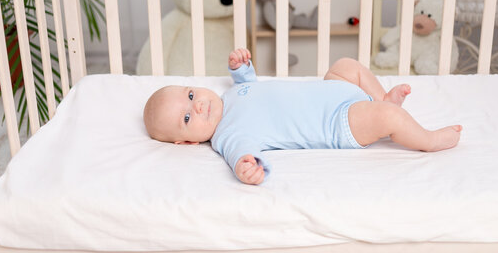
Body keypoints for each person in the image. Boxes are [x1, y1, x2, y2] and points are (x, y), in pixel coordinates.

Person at [143, 48, 462, 185]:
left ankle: (383, 100)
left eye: (190, 95)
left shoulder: (228, 96)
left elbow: (249, 86)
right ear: (186, 141)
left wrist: (241, 67)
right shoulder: (228, 135)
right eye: (187, 118)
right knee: (384, 118)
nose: (197, 105)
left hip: (335, 91)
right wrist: (245, 168)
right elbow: (242, 153)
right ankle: (428, 139)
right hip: (340, 121)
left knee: (347, 66)